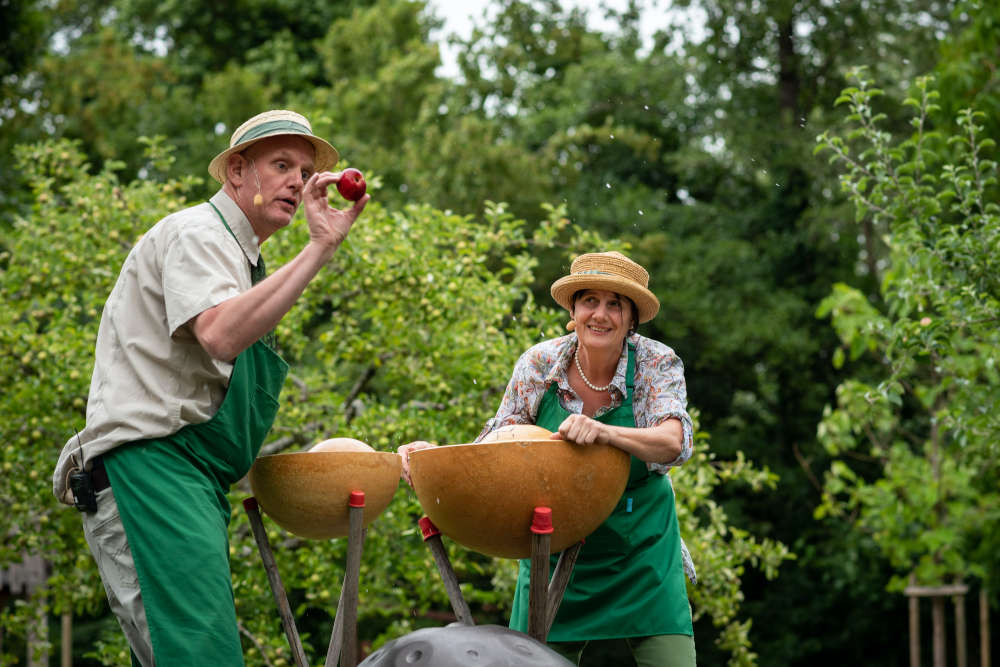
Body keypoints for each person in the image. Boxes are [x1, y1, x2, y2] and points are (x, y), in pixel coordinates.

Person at [52, 109, 368, 666]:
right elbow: (220, 335)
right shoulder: (199, 233)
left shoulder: (246, 264)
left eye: (304, 169)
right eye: (281, 164)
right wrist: (320, 248)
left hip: (186, 482)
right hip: (150, 470)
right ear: (237, 172)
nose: (298, 180)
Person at [399, 251, 697, 667]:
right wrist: (436, 461)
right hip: (553, 546)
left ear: (632, 320)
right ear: (573, 312)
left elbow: (674, 441)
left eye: (615, 304)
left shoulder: (655, 363)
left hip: (640, 549)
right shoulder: (539, 363)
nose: (601, 314)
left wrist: (605, 432)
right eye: (589, 301)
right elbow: (498, 441)